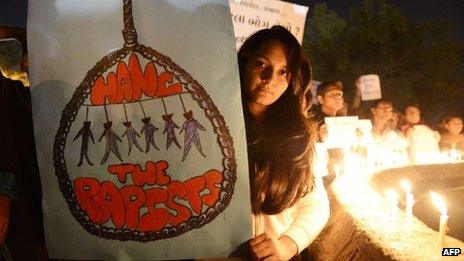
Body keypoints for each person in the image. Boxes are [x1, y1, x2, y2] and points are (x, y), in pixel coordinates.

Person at [237, 26, 329, 260]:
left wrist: (287, 245)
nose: (269, 79)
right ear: (244, 63)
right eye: (261, 64)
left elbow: (315, 205)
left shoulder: (298, 136)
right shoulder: (209, 125)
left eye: (283, 72)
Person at [369, 99, 409, 168]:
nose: (386, 110)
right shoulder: (364, 132)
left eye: (389, 108)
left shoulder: (397, 135)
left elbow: (404, 159)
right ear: (373, 110)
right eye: (383, 107)